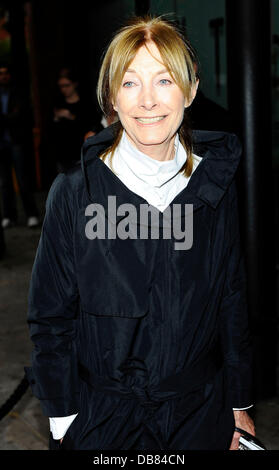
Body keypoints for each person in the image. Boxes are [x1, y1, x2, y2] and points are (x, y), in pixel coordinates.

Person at [25, 16, 255, 450]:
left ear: (190, 90)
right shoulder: (76, 192)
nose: (148, 101)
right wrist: (63, 419)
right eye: (130, 83)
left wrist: (239, 404)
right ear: (112, 95)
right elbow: (50, 315)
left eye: (164, 80)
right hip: (102, 421)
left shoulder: (213, 184)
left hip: (199, 413)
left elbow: (231, 296)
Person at [0, 63, 39, 228]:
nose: (3, 76)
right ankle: (9, 216)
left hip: (17, 141)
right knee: (4, 182)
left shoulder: (18, 92)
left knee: (23, 179)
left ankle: (32, 214)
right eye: (0, 73)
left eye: (5, 73)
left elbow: (20, 115)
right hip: (2, 142)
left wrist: (5, 118)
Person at [49, 67, 102, 173]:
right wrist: (56, 119)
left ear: (74, 84)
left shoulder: (86, 103)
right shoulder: (58, 103)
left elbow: (92, 125)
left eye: (67, 85)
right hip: (63, 154)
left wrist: (71, 117)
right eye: (61, 86)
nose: (64, 89)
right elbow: (51, 130)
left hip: (82, 153)